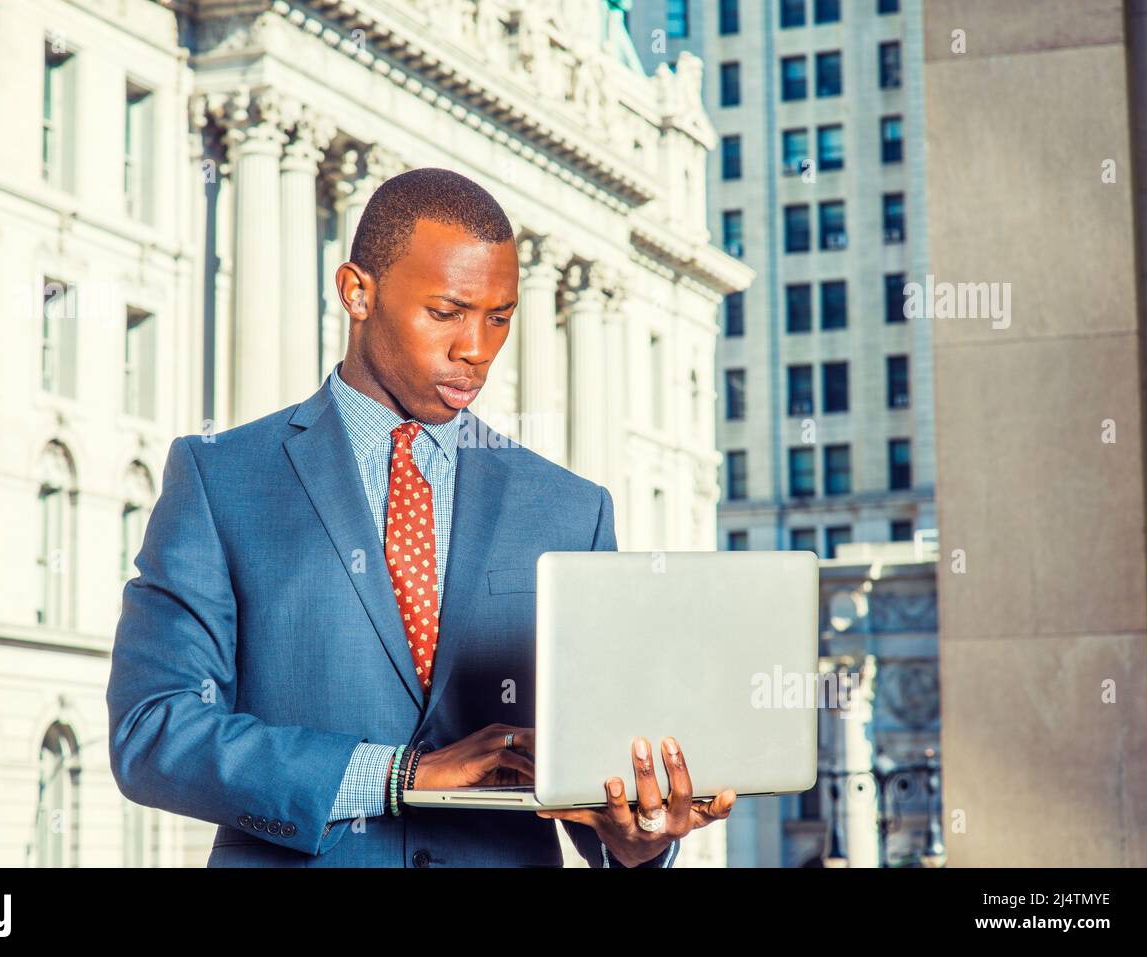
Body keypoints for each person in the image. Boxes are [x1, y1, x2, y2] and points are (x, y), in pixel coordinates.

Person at [106, 167, 737, 867]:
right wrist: (395, 775)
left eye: (499, 318)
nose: (478, 348)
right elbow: (153, 730)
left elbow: (596, 769)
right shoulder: (220, 478)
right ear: (357, 292)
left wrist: (637, 840)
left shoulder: (570, 510)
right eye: (447, 312)